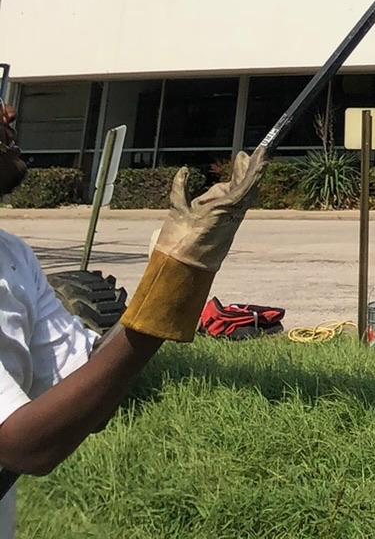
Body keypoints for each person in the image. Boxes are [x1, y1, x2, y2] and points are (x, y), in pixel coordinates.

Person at [0, 99, 264, 518]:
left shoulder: (11, 254)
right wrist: (165, 295)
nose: (10, 111)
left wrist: (174, 273)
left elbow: (86, 396)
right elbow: (24, 446)